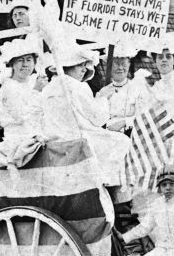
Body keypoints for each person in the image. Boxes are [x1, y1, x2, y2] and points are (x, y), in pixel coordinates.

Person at [40, 42, 130, 186]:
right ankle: (109, 185)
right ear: (68, 66)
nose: (84, 69)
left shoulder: (48, 88)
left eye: (84, 65)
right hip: (76, 138)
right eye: (80, 65)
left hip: (55, 138)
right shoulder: (77, 86)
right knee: (121, 141)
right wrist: (103, 97)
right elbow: (98, 118)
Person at [96, 42, 153, 132]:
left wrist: (124, 122)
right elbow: (97, 119)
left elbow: (145, 116)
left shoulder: (138, 89)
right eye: (116, 63)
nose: (120, 68)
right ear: (109, 65)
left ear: (129, 64)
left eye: (123, 63)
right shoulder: (103, 92)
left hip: (133, 135)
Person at [0, 37, 44, 141]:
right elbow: (21, 116)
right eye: (20, 60)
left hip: (39, 133)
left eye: (29, 60)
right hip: (18, 137)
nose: (25, 64)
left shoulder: (33, 81)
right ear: (12, 64)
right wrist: (36, 91)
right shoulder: (9, 86)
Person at [150, 42, 174, 124]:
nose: (164, 60)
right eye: (160, 57)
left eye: (168, 57)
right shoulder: (154, 88)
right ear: (155, 61)